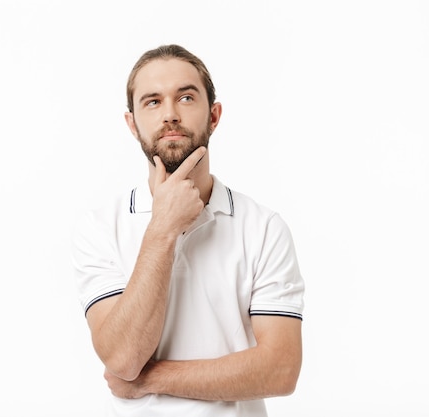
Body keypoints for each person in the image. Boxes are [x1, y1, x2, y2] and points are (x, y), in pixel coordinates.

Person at [71, 44, 305, 417]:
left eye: (185, 97)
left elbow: (281, 369)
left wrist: (151, 380)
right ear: (132, 124)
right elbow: (122, 358)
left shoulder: (264, 228)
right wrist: (163, 228)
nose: (170, 114)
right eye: (152, 101)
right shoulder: (100, 229)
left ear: (214, 116)